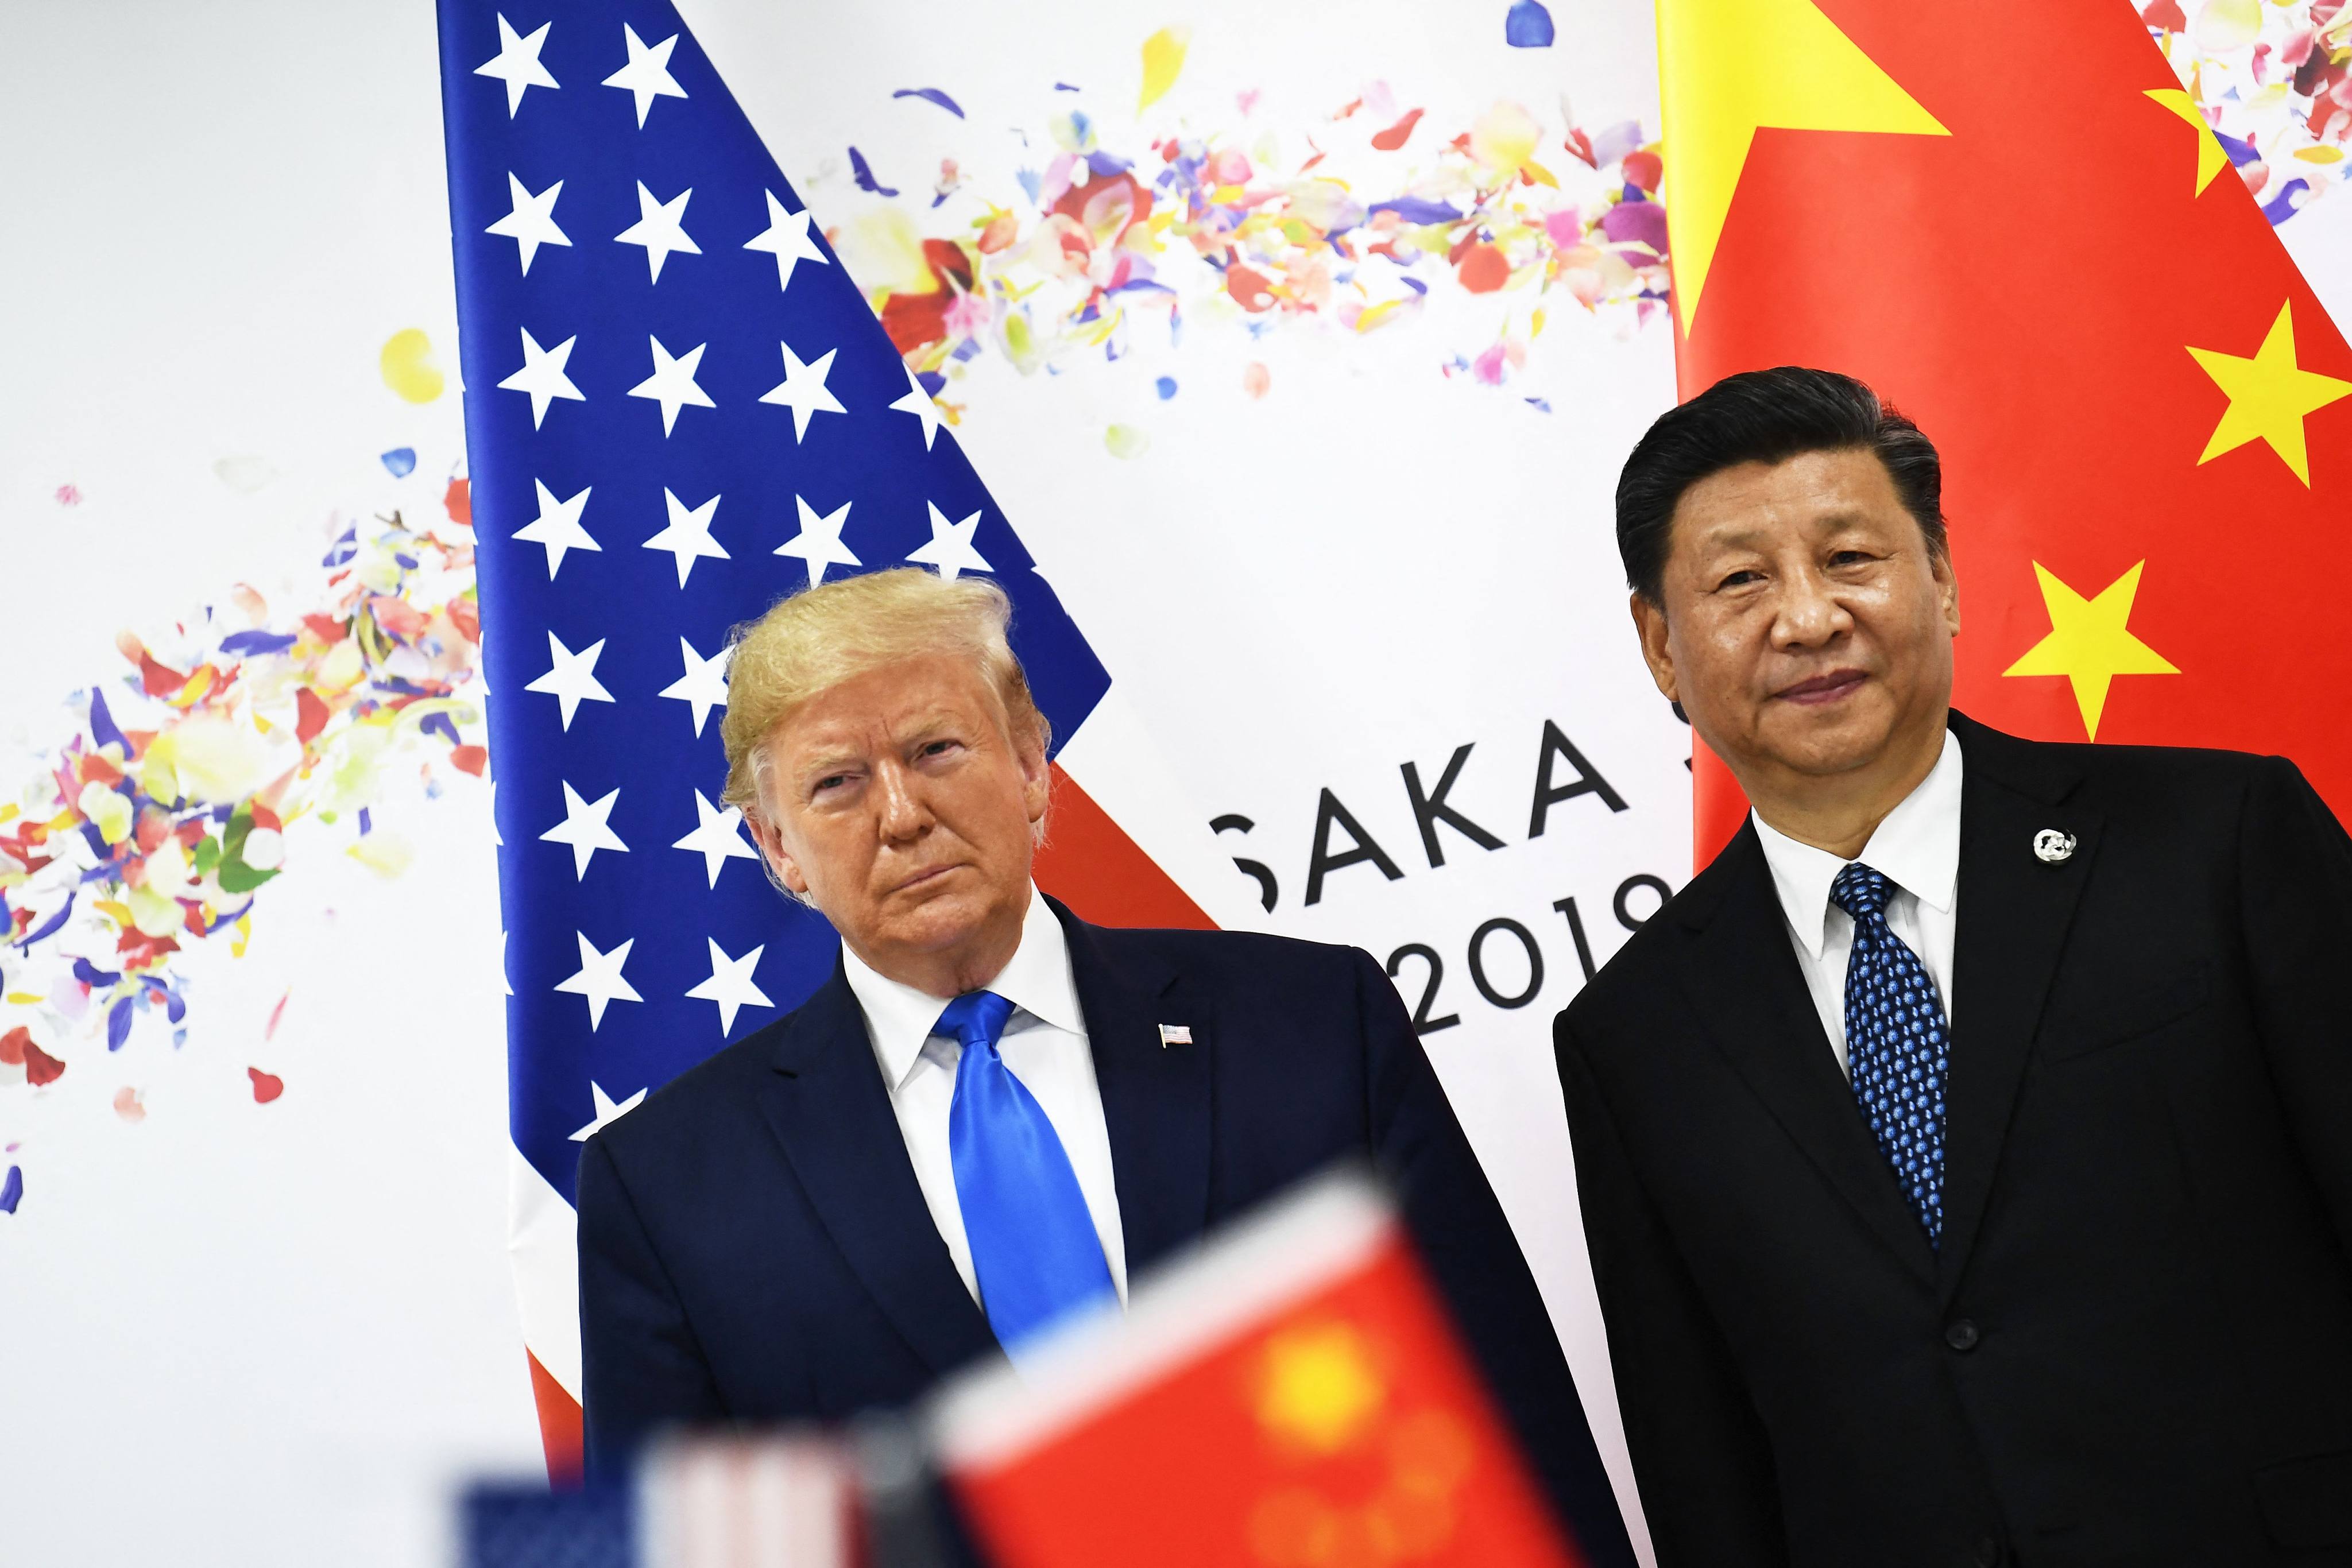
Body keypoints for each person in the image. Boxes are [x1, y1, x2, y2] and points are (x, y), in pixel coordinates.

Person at [576, 567, 1633, 1563]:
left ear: (1033, 765)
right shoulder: (669, 1188)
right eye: (839, 785)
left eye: (938, 750)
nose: (901, 816)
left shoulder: (1312, 1024)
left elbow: (1507, 1412)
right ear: (776, 849)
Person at [1556, 366, 2352, 1567]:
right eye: (1738, 581)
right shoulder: (1633, 1036)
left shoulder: (2217, 843)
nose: (1808, 618)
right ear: (1660, 647)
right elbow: (1701, 1462)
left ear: (1940, 577)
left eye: (1849, 558)